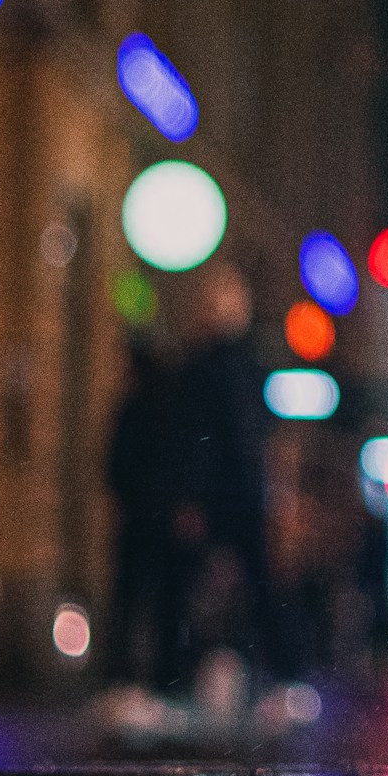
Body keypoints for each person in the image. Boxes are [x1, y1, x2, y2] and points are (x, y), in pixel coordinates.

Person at [166, 264, 288, 686]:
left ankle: (175, 676)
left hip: (220, 495)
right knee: (257, 586)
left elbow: (204, 438)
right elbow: (254, 436)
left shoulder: (208, 367)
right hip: (243, 493)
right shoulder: (249, 365)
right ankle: (277, 673)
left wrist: (191, 497)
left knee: (182, 585)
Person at [103, 338, 178, 689]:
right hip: (158, 521)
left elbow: (115, 465)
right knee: (159, 603)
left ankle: (121, 675)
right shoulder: (167, 411)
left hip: (138, 521)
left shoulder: (134, 407)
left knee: (129, 601)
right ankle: (163, 677)